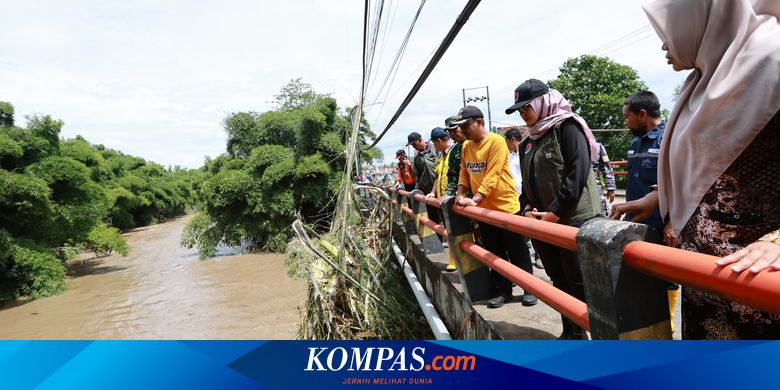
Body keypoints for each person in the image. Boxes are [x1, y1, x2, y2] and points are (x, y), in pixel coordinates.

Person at [613, 0, 780, 339]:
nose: (663, 43)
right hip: (703, 282)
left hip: (760, 286)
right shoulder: (702, 83)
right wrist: (662, 197)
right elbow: (708, 165)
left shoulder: (774, 61)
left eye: (667, 29)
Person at [505, 79, 602, 339]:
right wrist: (526, 207)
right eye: (520, 110)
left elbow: (576, 175)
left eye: (527, 107)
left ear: (543, 102)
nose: (523, 113)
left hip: (573, 220)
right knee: (558, 278)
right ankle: (572, 331)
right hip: (544, 223)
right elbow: (528, 184)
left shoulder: (567, 127)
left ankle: (590, 335)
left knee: (579, 280)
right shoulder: (529, 142)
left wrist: (553, 214)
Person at [453, 105, 537, 308]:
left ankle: (530, 289)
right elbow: (464, 172)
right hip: (484, 211)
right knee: (494, 252)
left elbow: (494, 173)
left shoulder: (496, 142)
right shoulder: (466, 146)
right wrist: (460, 193)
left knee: (517, 251)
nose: (462, 131)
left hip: (505, 207)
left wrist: (476, 198)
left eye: (466, 126)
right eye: (461, 127)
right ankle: (503, 291)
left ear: (479, 122)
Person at [620, 90, 679, 330]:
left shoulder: (670, 139)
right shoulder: (636, 142)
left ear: (642, 114)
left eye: (627, 117)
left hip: (663, 225)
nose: (625, 122)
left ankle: (669, 325)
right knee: (642, 277)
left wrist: (673, 221)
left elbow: (678, 182)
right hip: (639, 223)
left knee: (667, 279)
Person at [504, 128, 544, 270]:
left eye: (506, 141)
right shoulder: (510, 157)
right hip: (516, 198)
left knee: (535, 228)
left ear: (511, 140)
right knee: (522, 231)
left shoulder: (527, 153)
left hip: (528, 196)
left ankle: (540, 255)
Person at [426, 127, 457, 270]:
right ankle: (454, 259)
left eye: (435, 144)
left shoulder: (455, 152)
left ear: (438, 141)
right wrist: (433, 192)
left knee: (458, 230)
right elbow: (438, 177)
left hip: (454, 198)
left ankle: (458, 259)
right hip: (442, 199)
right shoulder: (440, 156)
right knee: (449, 229)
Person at [408, 131, 443, 229]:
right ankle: (439, 240)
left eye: (414, 144)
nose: (413, 147)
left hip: (440, 188)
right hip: (427, 191)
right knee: (433, 218)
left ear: (420, 140)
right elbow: (417, 177)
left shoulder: (435, 148)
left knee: (445, 215)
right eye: (412, 145)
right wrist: (417, 190)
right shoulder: (417, 158)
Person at [592, 143, 616, 217]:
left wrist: (611, 189)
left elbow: (606, 168)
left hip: (595, 186)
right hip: (576, 186)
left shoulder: (597, 146)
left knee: (601, 213)